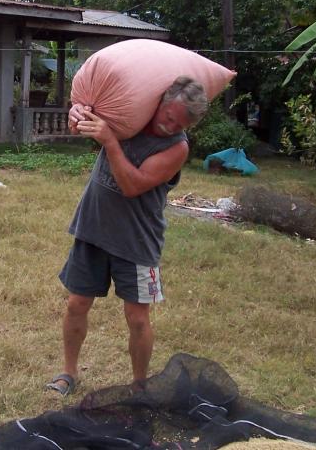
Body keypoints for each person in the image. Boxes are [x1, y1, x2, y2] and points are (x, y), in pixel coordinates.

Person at [46, 76, 208, 396]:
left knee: (137, 318)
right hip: (93, 226)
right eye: (168, 116)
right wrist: (78, 113)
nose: (169, 126)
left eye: (178, 124)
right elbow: (83, 124)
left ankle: (139, 387)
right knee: (77, 303)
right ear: (160, 103)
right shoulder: (128, 113)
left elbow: (132, 185)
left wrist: (110, 141)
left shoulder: (176, 148)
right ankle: (68, 373)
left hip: (137, 239)